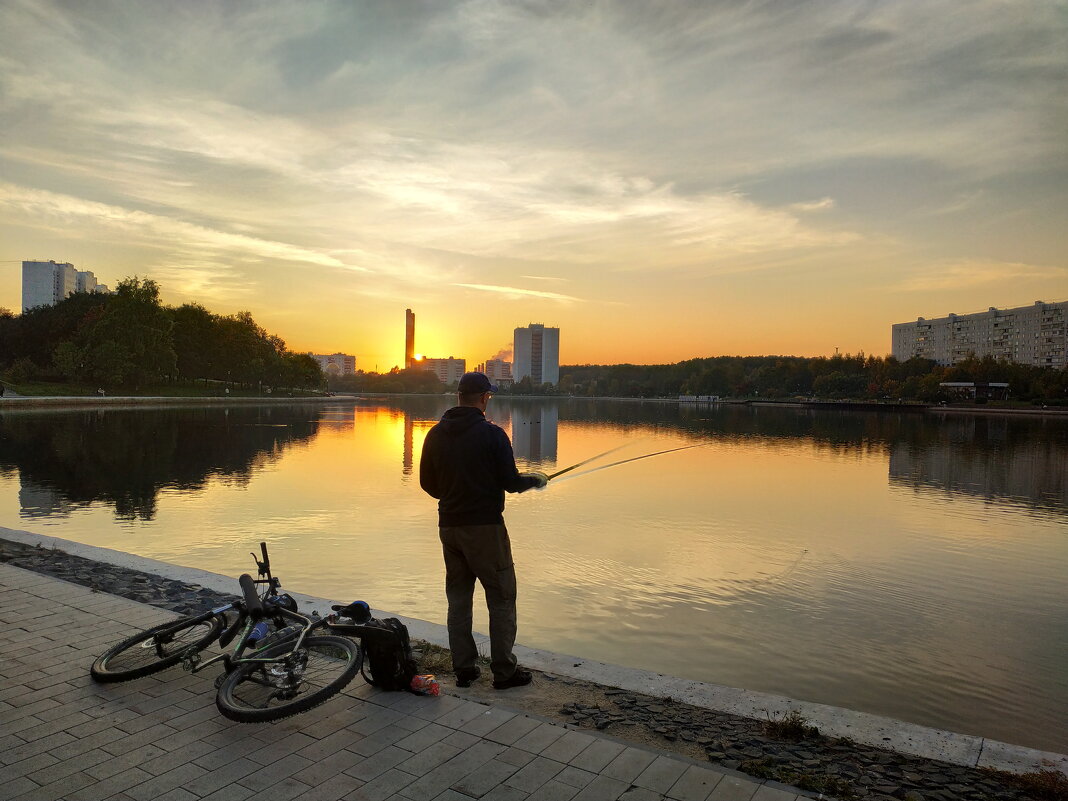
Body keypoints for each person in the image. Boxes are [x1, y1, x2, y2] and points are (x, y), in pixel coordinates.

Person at [420, 372, 548, 690]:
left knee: (459, 600)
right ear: (484, 398)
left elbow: (427, 484)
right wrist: (536, 479)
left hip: (449, 527)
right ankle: (504, 672)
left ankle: (464, 669)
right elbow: (510, 482)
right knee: (502, 596)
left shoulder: (434, 435)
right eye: (488, 397)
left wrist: (452, 498)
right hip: (486, 530)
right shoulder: (493, 435)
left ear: (458, 396)